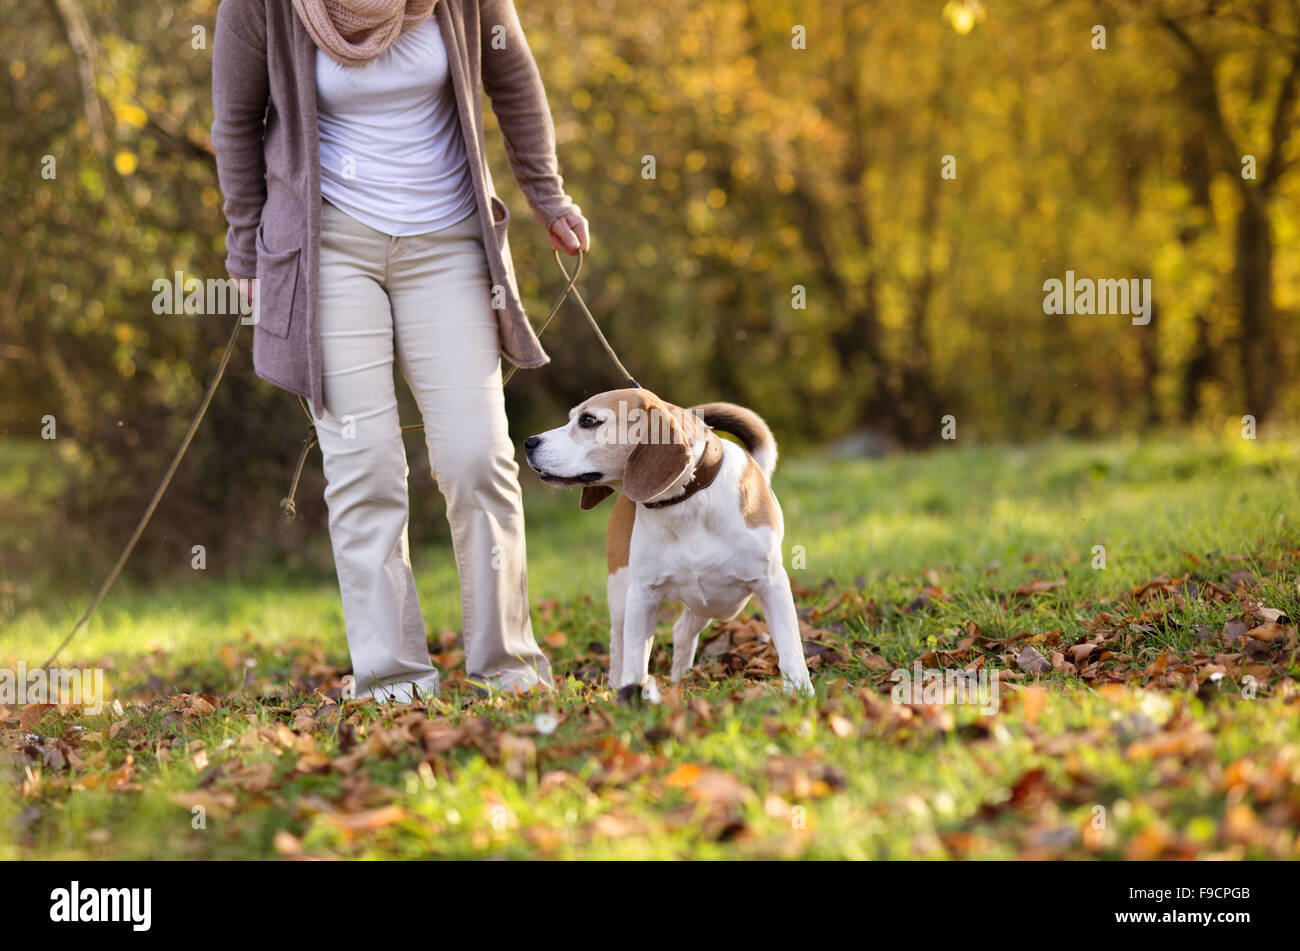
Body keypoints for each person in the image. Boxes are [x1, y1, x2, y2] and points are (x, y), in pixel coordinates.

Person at [211, 0, 589, 700]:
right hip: (329, 250)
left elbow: (513, 78)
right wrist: (246, 256)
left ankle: (508, 667)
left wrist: (548, 196)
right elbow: (234, 124)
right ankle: (394, 682)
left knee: (478, 456)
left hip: (448, 244)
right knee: (365, 465)